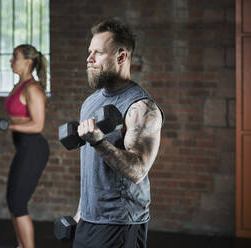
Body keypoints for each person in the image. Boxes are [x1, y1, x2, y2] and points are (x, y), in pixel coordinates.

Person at [73, 18, 164, 248]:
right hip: (89, 220)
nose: (89, 59)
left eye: (98, 53)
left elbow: (137, 171)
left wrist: (99, 142)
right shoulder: (90, 103)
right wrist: (80, 213)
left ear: (121, 57)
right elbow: (91, 168)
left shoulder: (141, 107)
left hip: (121, 223)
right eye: (89, 52)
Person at [0, 44, 49, 248]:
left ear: (28, 62)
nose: (11, 60)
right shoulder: (20, 85)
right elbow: (18, 117)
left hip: (34, 149)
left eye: (14, 57)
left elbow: (38, 124)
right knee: (12, 201)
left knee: (18, 203)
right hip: (23, 148)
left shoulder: (33, 88)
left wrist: (8, 125)